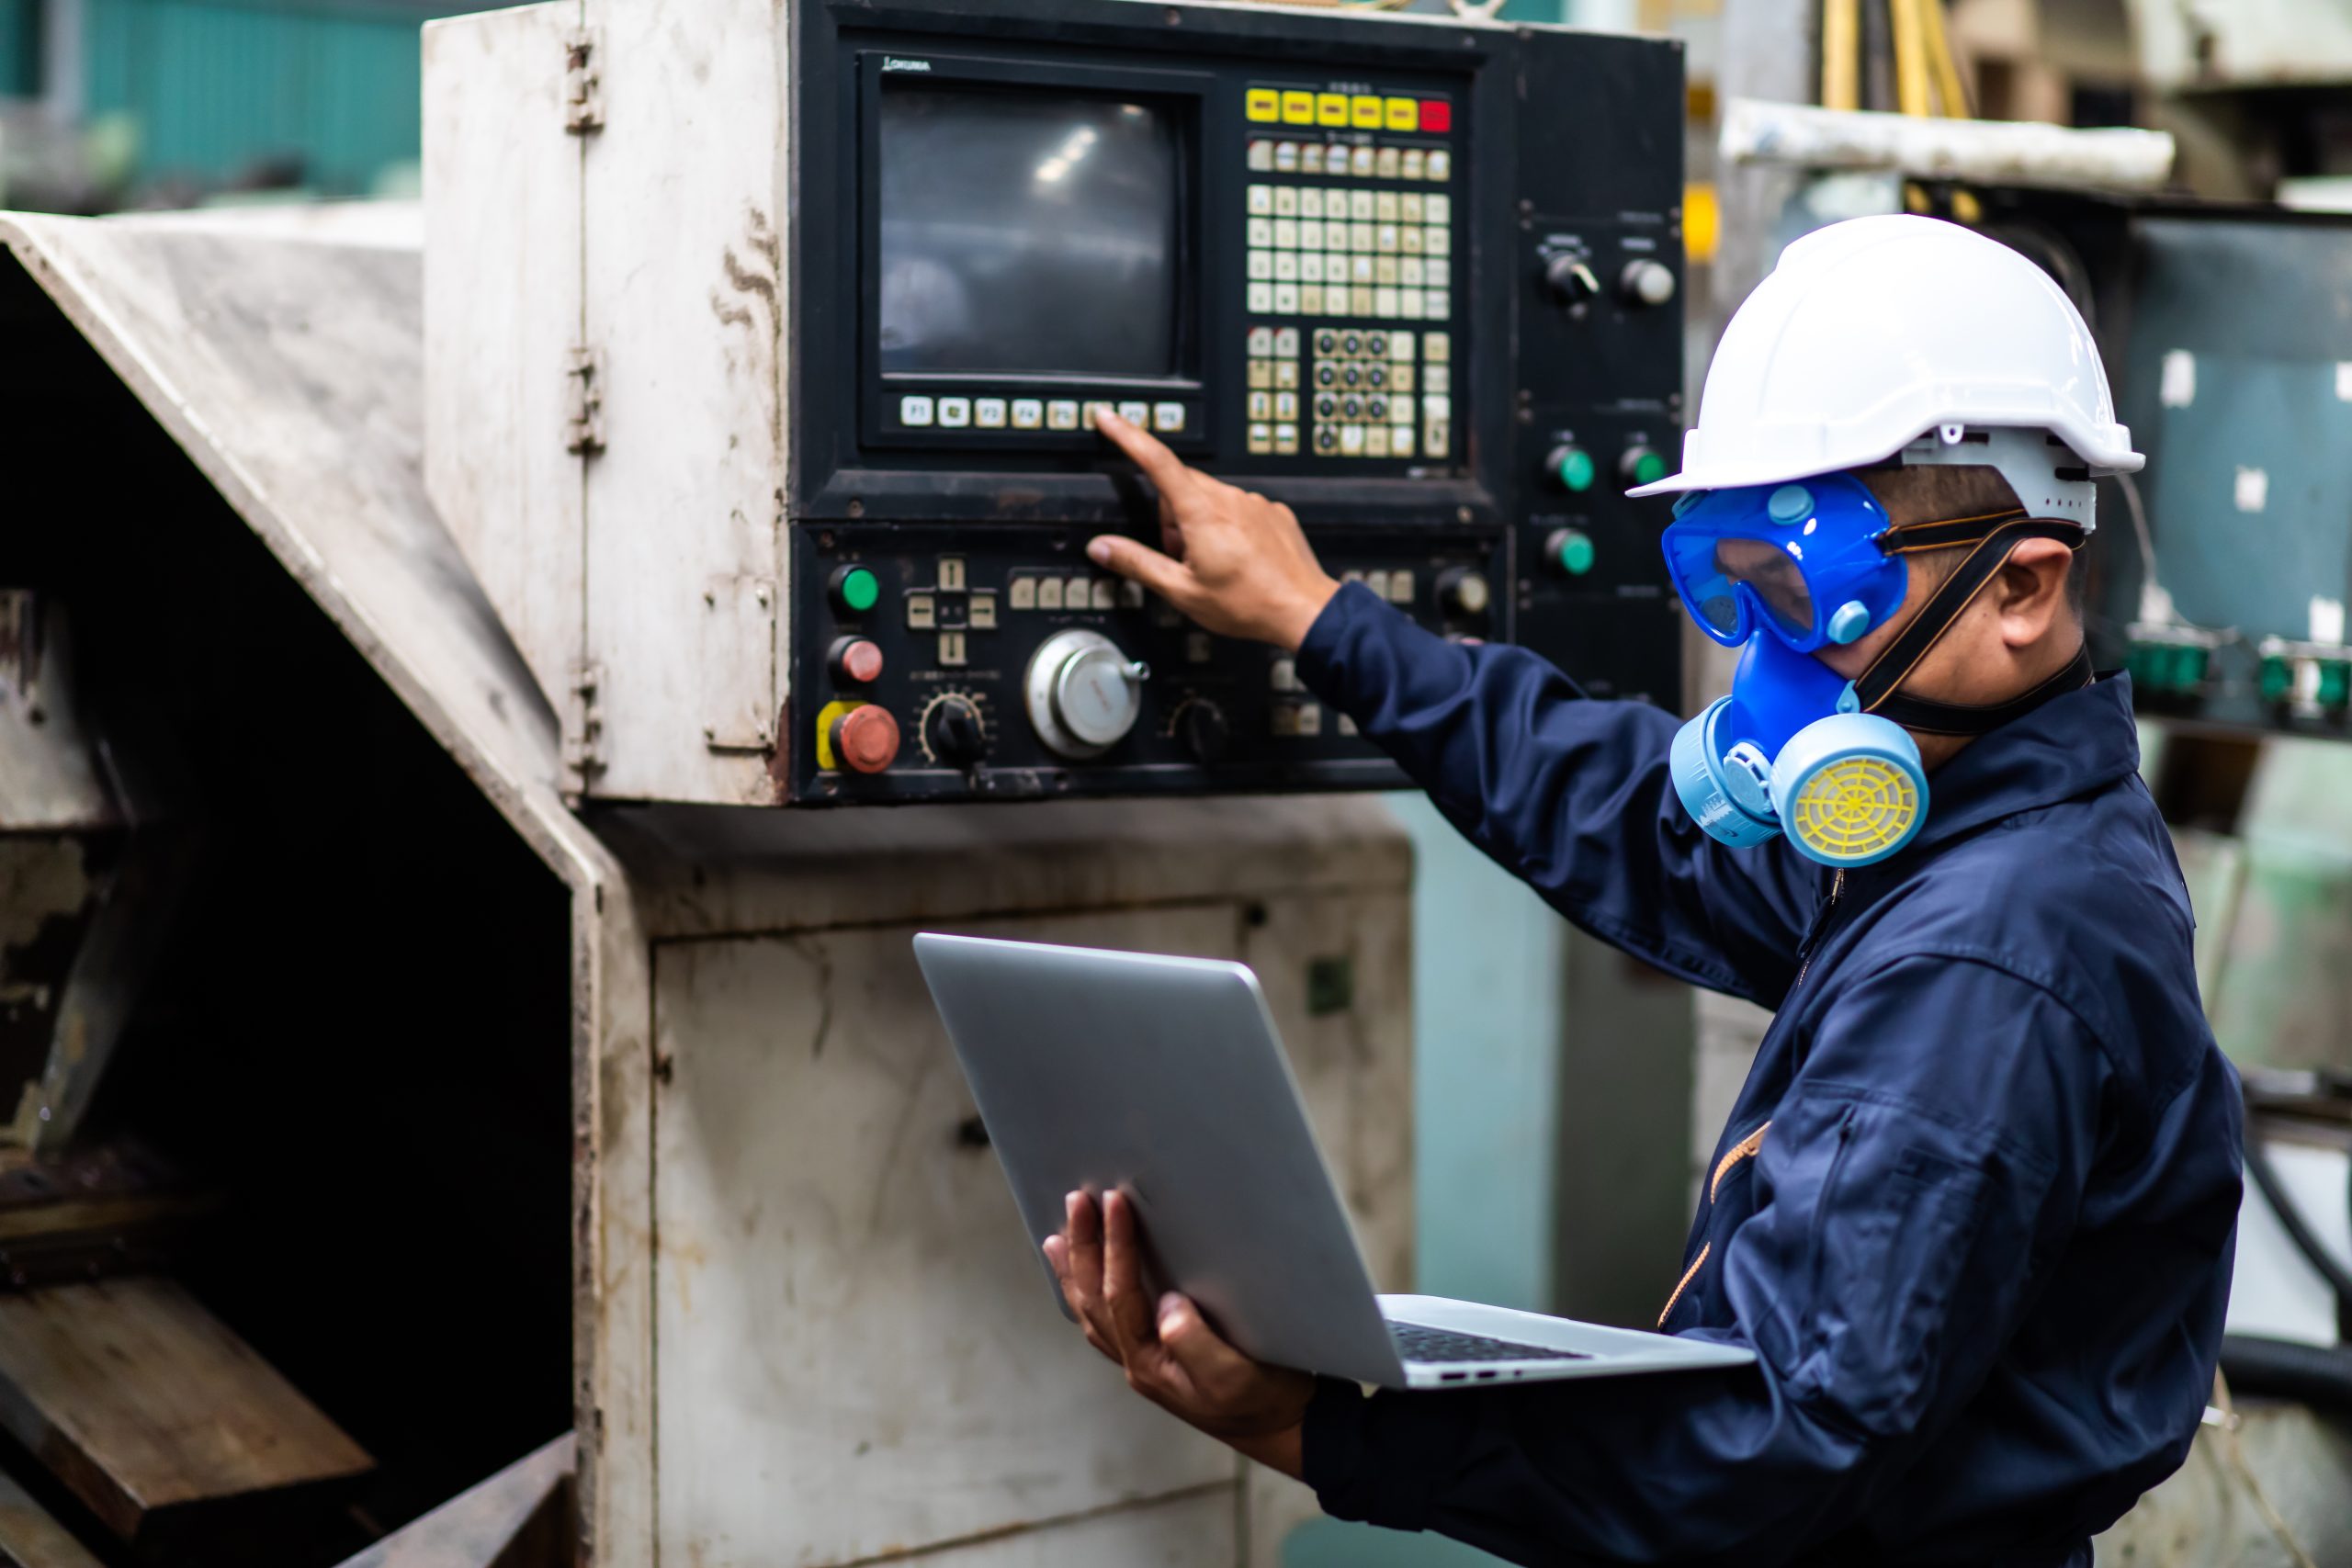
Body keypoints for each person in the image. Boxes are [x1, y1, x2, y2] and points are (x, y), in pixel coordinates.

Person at [1038, 215, 2243, 1565]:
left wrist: (1317, 1431)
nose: (1765, 670)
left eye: (1806, 599)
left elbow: (1776, 1445)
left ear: (2022, 587)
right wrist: (1325, 620)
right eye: (1735, 585)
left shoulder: (1990, 957)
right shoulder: (1959, 831)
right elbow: (1636, 819)